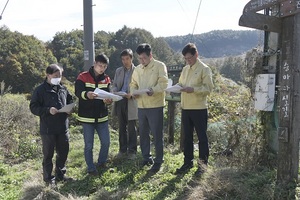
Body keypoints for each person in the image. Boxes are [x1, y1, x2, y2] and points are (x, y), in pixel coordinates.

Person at [30, 64, 73, 185]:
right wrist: (48, 110)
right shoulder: (40, 90)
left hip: (63, 127)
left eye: (60, 75)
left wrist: (70, 108)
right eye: (56, 76)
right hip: (48, 128)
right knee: (48, 154)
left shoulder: (63, 88)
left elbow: (70, 100)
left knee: (63, 152)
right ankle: (48, 179)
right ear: (48, 75)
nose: (58, 78)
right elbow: (33, 107)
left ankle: (60, 175)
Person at [175, 43, 214, 175]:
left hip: (199, 108)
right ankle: (187, 162)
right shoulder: (185, 69)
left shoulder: (204, 69)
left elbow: (208, 89)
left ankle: (202, 165)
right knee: (187, 137)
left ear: (196, 54)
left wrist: (194, 90)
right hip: (185, 107)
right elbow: (181, 83)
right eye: (185, 59)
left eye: (190, 58)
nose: (188, 61)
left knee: (202, 137)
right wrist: (175, 87)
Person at [130, 43, 168, 173]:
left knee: (157, 134)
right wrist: (133, 92)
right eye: (139, 58)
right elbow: (133, 83)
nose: (141, 61)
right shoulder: (138, 69)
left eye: (144, 58)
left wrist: (154, 90)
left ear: (150, 55)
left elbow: (164, 83)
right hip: (141, 105)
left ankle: (158, 161)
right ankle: (146, 157)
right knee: (144, 134)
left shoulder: (159, 66)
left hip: (155, 105)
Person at [75, 53, 112, 176]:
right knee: (89, 145)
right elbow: (78, 92)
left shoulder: (106, 79)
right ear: (94, 64)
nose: (101, 68)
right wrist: (87, 95)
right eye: (100, 65)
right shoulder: (83, 76)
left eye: (104, 66)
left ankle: (101, 162)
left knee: (106, 142)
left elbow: (109, 94)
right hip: (87, 117)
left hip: (102, 116)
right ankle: (91, 168)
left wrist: (109, 100)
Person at [111, 49, 138, 160]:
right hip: (120, 99)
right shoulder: (118, 71)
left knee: (132, 127)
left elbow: (138, 86)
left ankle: (132, 151)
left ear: (131, 58)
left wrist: (131, 94)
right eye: (123, 59)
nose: (125, 61)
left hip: (131, 100)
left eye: (127, 59)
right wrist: (114, 91)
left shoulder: (137, 70)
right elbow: (115, 84)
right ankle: (122, 150)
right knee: (121, 127)